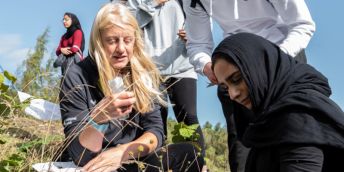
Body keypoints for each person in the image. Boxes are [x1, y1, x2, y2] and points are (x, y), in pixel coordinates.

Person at [59, 3, 204, 171]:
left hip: (131, 157)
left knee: (190, 153)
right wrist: (99, 118)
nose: (121, 49)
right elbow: (80, 154)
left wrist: (123, 152)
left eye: (127, 40)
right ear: (98, 41)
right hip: (93, 164)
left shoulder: (144, 74)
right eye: (112, 41)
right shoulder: (76, 75)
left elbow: (155, 133)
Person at [183, 0, 316, 171]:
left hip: (282, 60)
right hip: (236, 67)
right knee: (241, 145)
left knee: (295, 136)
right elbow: (198, 44)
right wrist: (206, 66)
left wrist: (269, 61)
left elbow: (302, 24)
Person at [211, 33, 344, 172]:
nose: (233, 94)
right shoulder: (270, 121)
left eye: (237, 79)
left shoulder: (297, 117)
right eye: (226, 87)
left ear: (260, 68)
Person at [118, 0, 206, 157]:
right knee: (155, 124)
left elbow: (200, 20)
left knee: (188, 119)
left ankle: (196, 164)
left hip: (182, 65)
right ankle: (158, 166)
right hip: (149, 69)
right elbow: (128, 28)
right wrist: (151, 3)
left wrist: (192, 35)